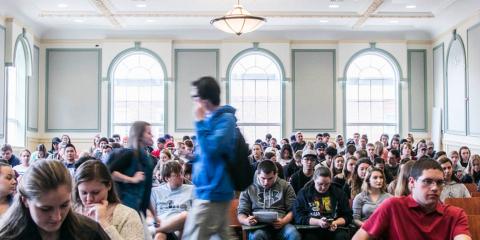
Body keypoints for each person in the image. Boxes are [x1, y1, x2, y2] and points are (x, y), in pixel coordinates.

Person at [352, 158, 472, 240]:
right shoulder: (393, 206)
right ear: (412, 182)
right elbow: (360, 237)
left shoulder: (456, 215)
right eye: (427, 181)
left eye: (439, 182)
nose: (435, 188)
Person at [182, 76, 236, 240]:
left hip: (213, 191)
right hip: (208, 189)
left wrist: (199, 122)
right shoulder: (210, 120)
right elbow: (208, 154)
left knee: (192, 236)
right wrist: (192, 157)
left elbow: (212, 149)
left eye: (195, 97)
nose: (194, 102)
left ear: (205, 99)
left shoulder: (226, 120)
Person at [0, 159, 109, 239]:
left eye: (64, 205)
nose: (57, 217)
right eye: (46, 209)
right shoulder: (6, 236)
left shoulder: (90, 233)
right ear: (25, 201)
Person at [73, 160, 145, 240]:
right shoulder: (71, 213)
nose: (89, 199)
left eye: (95, 192)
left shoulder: (128, 215)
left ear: (109, 185)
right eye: (84, 193)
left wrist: (103, 222)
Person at [237, 160, 300, 240]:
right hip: (258, 226)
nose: (266, 182)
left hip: (281, 224)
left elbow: (293, 209)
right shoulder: (249, 187)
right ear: (258, 174)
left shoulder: (285, 186)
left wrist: (284, 221)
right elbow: (241, 212)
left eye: (270, 178)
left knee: (293, 234)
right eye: (263, 178)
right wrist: (246, 220)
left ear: (276, 174)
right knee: (257, 236)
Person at [107, 120, 155, 218]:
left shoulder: (147, 159)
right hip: (125, 209)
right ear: (139, 135)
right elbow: (108, 173)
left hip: (138, 211)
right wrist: (131, 179)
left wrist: (154, 214)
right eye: (148, 133)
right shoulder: (128, 154)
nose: (152, 135)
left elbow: (146, 191)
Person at [293, 166, 352, 240]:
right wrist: (318, 222)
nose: (323, 187)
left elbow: (348, 215)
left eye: (327, 184)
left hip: (335, 227)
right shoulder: (304, 193)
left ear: (331, 181)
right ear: (314, 180)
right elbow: (298, 216)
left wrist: (335, 222)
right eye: (320, 184)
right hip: (312, 228)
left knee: (341, 237)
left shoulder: (338, 192)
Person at [150, 160, 194, 240]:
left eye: (181, 173)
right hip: (163, 224)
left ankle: (153, 230)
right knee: (159, 236)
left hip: (182, 225)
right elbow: (150, 215)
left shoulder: (192, 189)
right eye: (177, 175)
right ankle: (157, 230)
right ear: (167, 178)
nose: (181, 177)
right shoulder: (155, 191)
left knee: (185, 216)